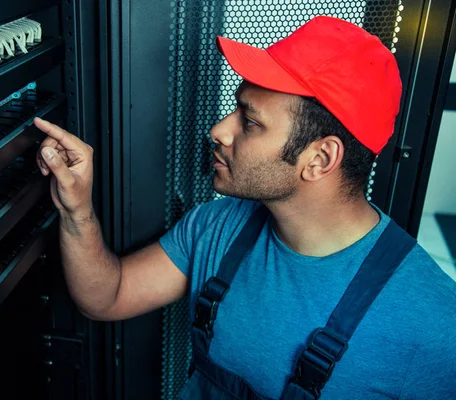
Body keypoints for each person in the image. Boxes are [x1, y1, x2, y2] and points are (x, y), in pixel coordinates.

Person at [33, 15, 456, 399]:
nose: (219, 130)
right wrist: (76, 211)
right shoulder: (218, 226)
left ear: (320, 159)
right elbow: (106, 297)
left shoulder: (433, 323)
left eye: (249, 122)